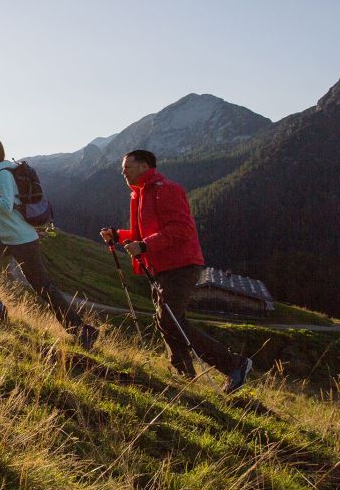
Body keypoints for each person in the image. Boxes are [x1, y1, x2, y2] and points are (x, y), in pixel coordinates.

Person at [100, 149, 252, 393]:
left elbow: (182, 229)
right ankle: (185, 374)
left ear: (144, 166)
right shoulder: (138, 195)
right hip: (161, 266)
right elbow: (142, 236)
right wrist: (119, 236)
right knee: (166, 321)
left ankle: (234, 364)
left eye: (127, 167)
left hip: (180, 265)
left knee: (170, 320)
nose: (123, 172)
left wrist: (146, 246)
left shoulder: (165, 189)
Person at [0, 136, 98, 349]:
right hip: (6, 238)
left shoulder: (3, 176)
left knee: (42, 287)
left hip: (22, 240)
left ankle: (83, 332)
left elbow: (7, 206)